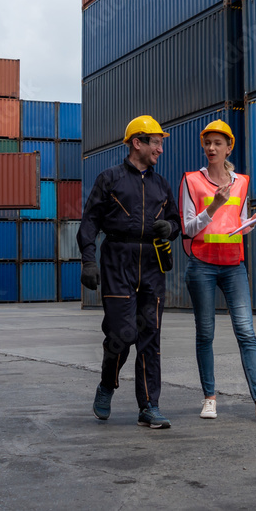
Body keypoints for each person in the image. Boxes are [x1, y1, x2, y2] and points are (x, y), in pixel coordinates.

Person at [180, 120, 256, 423]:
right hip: (201, 264)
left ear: (229, 147)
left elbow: (235, 227)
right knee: (206, 333)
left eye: (217, 143)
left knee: (246, 332)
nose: (211, 148)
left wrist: (254, 222)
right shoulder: (191, 181)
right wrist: (213, 206)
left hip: (233, 265)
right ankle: (209, 398)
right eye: (207, 143)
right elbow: (187, 230)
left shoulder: (241, 182)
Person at [78, 115, 182, 429]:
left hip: (152, 265)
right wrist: (88, 261)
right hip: (117, 262)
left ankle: (149, 406)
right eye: (156, 142)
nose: (160, 149)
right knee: (121, 335)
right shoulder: (109, 179)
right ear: (137, 142)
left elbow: (176, 222)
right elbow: (89, 223)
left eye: (161, 143)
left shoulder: (161, 185)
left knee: (150, 337)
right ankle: (107, 384)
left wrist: (170, 228)